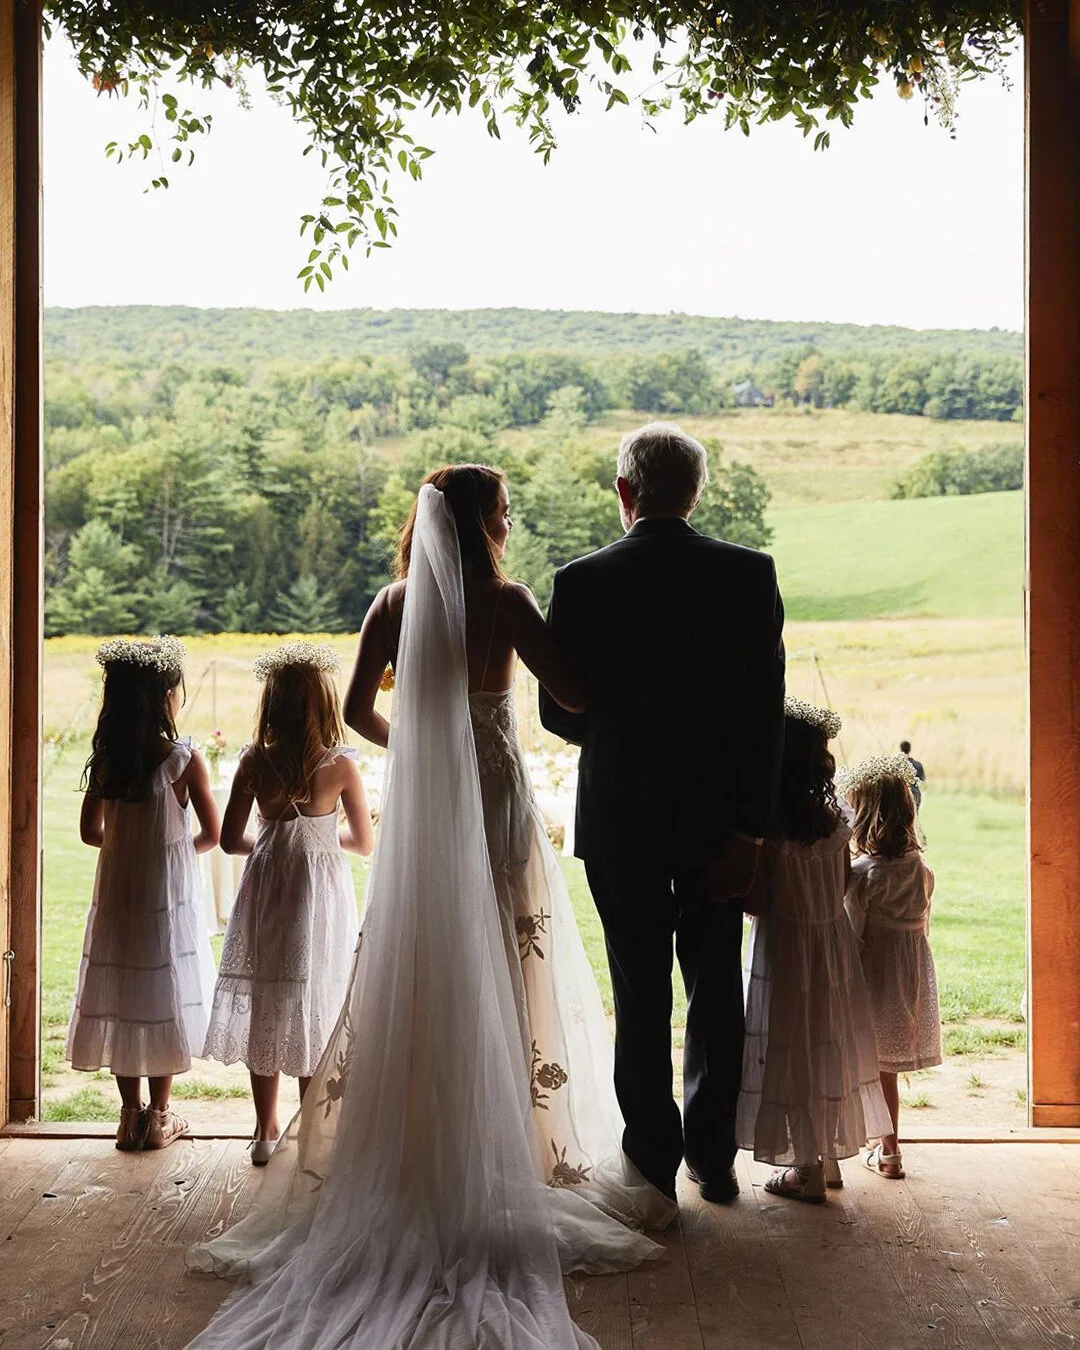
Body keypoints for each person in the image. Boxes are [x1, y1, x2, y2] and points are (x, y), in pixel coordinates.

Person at [186, 469, 666, 1350]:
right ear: (483, 523)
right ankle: (505, 1150)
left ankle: (414, 1146)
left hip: (431, 796)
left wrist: (423, 741)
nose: (510, 524)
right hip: (492, 791)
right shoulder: (511, 602)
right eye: (506, 513)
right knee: (512, 958)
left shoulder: (390, 603)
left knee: (424, 955)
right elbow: (577, 695)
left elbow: (362, 709)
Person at [540, 421, 785, 1205]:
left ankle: (651, 1155)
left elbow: (557, 714)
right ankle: (713, 1156)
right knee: (715, 986)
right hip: (719, 821)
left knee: (639, 989)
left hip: (620, 817)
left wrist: (614, 729)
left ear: (625, 493)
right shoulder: (749, 576)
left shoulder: (581, 582)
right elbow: (764, 716)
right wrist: (751, 832)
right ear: (697, 493)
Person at [200, 642, 374, 1165]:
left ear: (271, 706)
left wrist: (275, 843)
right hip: (318, 898)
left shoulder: (254, 761)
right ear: (323, 705)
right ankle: (311, 1136)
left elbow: (231, 840)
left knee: (269, 1000)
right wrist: (320, 841)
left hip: (267, 892)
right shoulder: (340, 765)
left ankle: (263, 1130)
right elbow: (363, 843)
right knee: (313, 999)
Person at [735, 698, 892, 1203]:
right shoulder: (834, 821)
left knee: (791, 1049)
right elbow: (844, 881)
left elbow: (758, 899)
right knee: (825, 1046)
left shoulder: (774, 830)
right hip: (831, 947)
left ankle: (805, 1172)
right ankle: (825, 1158)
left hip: (787, 948)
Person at [68, 635, 219, 1152]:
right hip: (164, 895)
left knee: (122, 990)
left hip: (118, 893)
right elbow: (214, 833)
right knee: (164, 989)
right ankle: (159, 1116)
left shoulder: (109, 760)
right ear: (162, 697)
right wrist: (173, 851)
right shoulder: (182, 759)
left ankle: (128, 1117)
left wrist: (128, 848)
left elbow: (90, 831)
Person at [842, 753, 941, 1180]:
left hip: (871, 979)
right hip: (909, 979)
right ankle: (890, 1151)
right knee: (885, 1071)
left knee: (853, 1061)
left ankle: (842, 1145)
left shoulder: (862, 874)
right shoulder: (921, 869)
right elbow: (922, 926)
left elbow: (851, 934)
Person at [900, 739, 926, 808]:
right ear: (910, 749)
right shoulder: (918, 765)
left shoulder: (897, 765)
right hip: (915, 794)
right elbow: (922, 779)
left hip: (901, 795)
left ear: (901, 749)